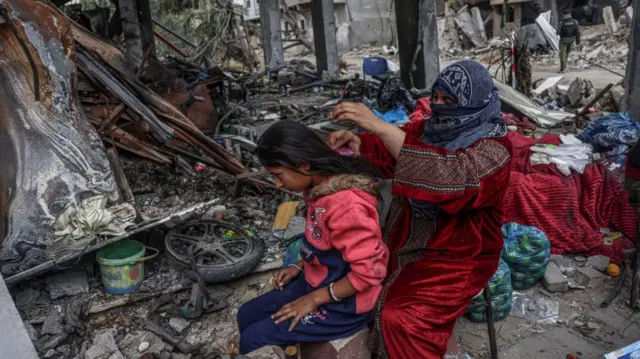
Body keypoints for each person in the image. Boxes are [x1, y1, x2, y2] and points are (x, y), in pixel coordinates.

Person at [329, 60, 512, 359]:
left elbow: (449, 175)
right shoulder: (430, 128)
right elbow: (391, 149)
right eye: (436, 98)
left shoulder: (494, 150)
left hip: (459, 255)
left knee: (401, 317)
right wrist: (359, 142)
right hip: (407, 238)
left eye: (449, 101)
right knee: (360, 280)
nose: (439, 107)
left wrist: (380, 124)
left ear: (474, 103)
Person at [236, 120, 389, 354]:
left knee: (253, 339)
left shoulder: (346, 206)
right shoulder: (317, 191)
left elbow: (369, 273)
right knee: (246, 315)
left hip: (346, 304)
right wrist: (300, 266)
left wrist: (314, 299)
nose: (277, 185)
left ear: (305, 165)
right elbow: (325, 244)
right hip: (319, 281)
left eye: (278, 175)